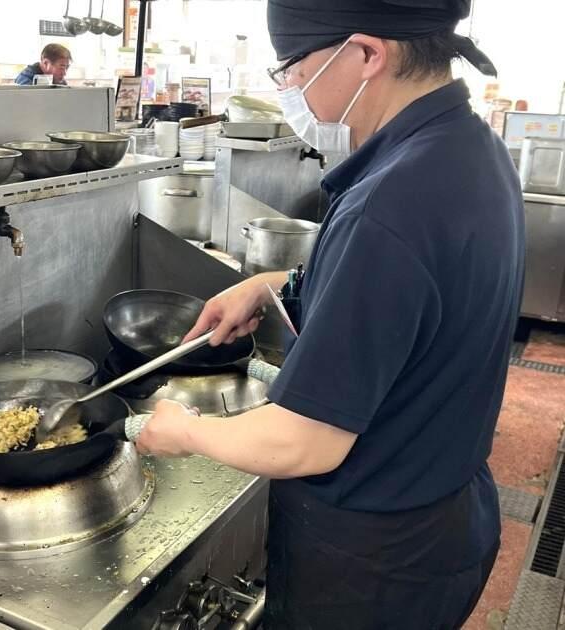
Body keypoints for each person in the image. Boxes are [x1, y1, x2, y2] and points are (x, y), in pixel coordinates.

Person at [131, 1, 524, 628]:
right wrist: (271, 284)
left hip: (373, 561)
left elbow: (303, 441)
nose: (288, 88)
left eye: (290, 68)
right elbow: (418, 297)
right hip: (442, 514)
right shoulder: (467, 148)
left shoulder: (392, 202)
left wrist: (182, 431)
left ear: (367, 54)